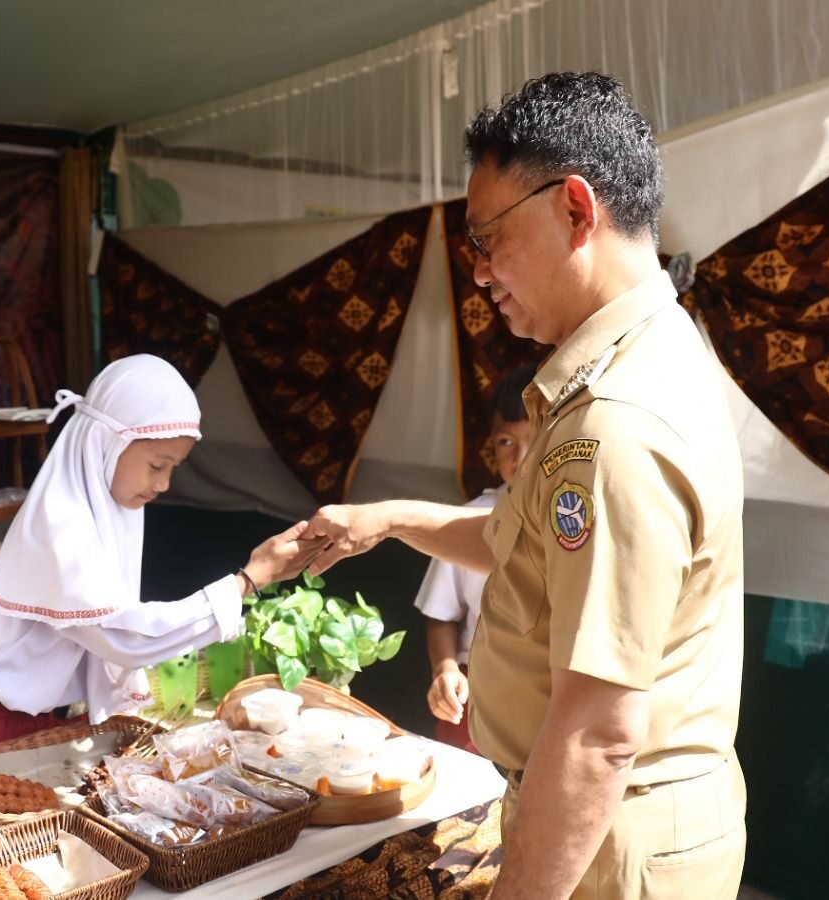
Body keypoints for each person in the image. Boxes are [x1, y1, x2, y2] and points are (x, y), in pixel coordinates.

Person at [304, 72, 746, 900]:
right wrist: (390, 520)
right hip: (619, 826)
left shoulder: (613, 421)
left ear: (576, 211)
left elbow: (598, 737)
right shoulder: (642, 358)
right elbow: (524, 544)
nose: (478, 272)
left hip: (612, 842)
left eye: (486, 239)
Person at [0, 354, 323, 753]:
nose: (163, 484)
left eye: (174, 468)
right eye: (157, 465)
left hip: (65, 731)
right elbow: (123, 636)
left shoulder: (108, 509)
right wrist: (248, 580)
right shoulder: (60, 523)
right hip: (12, 739)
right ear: (106, 444)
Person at [418, 364, 535, 752]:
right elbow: (441, 614)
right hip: (475, 695)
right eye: (506, 442)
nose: (520, 457)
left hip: (543, 692)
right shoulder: (468, 519)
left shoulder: (575, 522)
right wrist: (445, 668)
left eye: (534, 440)